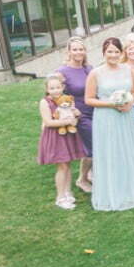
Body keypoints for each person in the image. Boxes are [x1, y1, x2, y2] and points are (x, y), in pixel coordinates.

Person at [84, 37, 134, 211]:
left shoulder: (128, 70)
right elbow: (89, 99)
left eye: (116, 52)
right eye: (109, 52)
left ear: (121, 53)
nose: (113, 55)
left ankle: (129, 189)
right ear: (103, 53)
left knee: (127, 150)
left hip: (125, 116)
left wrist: (128, 101)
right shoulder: (96, 73)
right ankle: (111, 191)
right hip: (106, 117)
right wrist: (112, 104)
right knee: (110, 152)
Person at [37, 72, 86, 209]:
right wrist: (64, 121)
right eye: (52, 88)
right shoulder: (45, 102)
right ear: (47, 89)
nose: (55, 91)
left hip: (68, 136)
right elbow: (47, 122)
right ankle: (60, 196)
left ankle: (68, 191)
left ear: (62, 87)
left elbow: (74, 115)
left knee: (68, 164)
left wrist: (75, 117)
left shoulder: (68, 100)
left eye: (58, 87)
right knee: (62, 166)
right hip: (55, 136)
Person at [56, 36, 93, 193]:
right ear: (69, 52)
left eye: (81, 49)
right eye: (75, 49)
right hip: (79, 115)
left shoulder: (89, 69)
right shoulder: (62, 72)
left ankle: (90, 174)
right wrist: (69, 112)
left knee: (97, 145)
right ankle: (82, 179)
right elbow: (56, 95)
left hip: (95, 110)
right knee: (93, 147)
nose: (79, 52)